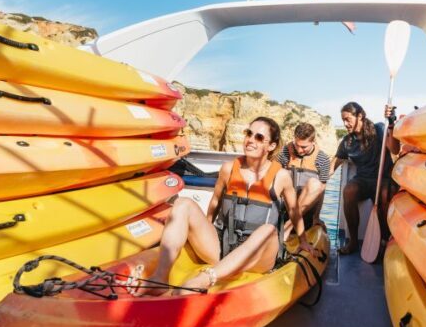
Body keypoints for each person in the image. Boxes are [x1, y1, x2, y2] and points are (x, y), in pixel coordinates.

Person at [130, 116, 310, 296]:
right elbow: (215, 201)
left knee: (268, 230)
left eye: (259, 137)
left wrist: (303, 241)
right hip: (224, 247)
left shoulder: (281, 176)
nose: (250, 140)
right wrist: (203, 228)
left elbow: (294, 211)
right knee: (182, 203)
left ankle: (205, 279)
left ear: (271, 146)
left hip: (258, 258)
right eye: (248, 133)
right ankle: (160, 278)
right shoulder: (228, 168)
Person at [328, 102, 400, 255]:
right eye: (343, 120)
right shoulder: (347, 142)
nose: (345, 124)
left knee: (385, 193)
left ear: (359, 116)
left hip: (383, 178)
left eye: (348, 119)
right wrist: (323, 179)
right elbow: (336, 162)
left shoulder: (379, 129)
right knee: (349, 191)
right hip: (363, 180)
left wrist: (392, 122)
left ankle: (385, 240)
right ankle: (353, 241)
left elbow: (395, 149)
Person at [276, 122, 331, 232]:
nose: (300, 150)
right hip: (282, 210)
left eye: (304, 147)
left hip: (306, 215)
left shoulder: (323, 159)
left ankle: (289, 225)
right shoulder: (284, 153)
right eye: (297, 145)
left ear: (313, 142)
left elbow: (321, 191)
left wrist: (316, 217)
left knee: (316, 184)